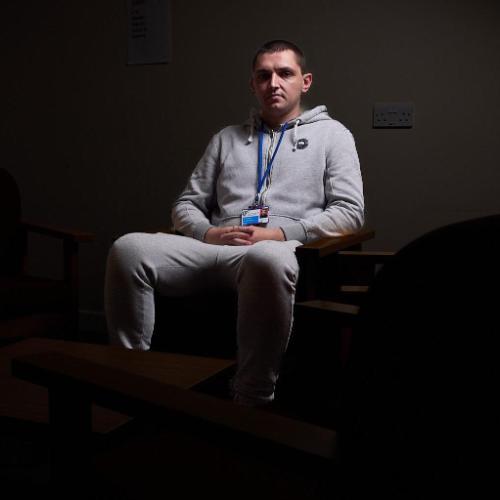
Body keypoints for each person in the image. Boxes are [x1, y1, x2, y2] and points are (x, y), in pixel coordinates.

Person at [104, 40, 364, 407]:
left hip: (276, 251)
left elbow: (350, 212)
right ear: (253, 84)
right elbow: (185, 205)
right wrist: (209, 232)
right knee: (127, 248)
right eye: (263, 75)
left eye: (284, 73)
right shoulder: (226, 139)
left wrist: (279, 234)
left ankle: (251, 396)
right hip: (215, 246)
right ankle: (131, 377)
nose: (273, 83)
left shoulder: (333, 135)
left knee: (267, 257)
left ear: (305, 82)